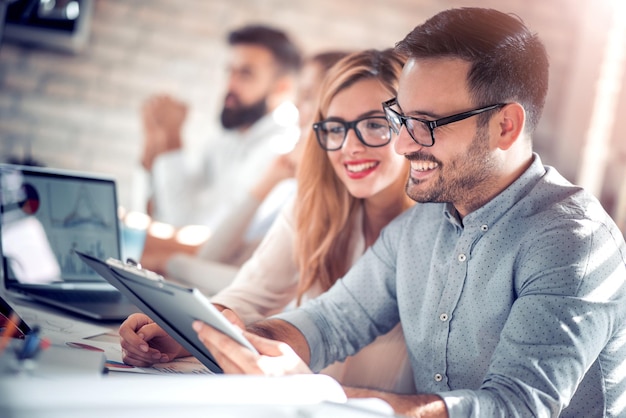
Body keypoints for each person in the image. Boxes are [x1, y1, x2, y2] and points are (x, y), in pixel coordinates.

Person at [187, 8, 626, 418]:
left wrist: (314, 391)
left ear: (505, 126)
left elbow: (514, 407)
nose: (402, 144)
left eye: (428, 124)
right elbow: (330, 322)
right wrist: (213, 336)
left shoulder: (572, 243)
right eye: (401, 119)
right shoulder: (420, 225)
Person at [119, 49, 418, 393]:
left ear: (411, 128)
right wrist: (178, 332)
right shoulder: (315, 206)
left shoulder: (434, 231)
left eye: (375, 125)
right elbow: (251, 295)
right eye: (335, 128)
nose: (349, 146)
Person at [148, 51, 350, 294]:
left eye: (307, 97)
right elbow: (216, 257)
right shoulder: (289, 177)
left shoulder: (332, 193)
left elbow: (269, 290)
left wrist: (170, 263)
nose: (296, 107)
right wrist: (269, 181)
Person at [137, 24, 302, 230]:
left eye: (245, 74)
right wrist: (154, 141)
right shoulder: (229, 136)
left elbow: (190, 227)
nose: (230, 85)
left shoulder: (279, 149)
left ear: (282, 87)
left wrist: (171, 136)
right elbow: (158, 212)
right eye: (230, 72)